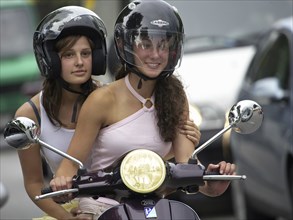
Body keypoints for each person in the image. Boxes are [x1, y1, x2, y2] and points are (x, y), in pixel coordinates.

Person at [50, 0, 233, 219]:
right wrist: (61, 182)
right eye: (146, 44)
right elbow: (70, 165)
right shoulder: (102, 99)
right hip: (102, 207)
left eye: (163, 45)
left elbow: (185, 164)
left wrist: (211, 181)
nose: (156, 55)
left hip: (154, 208)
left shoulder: (175, 95)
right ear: (126, 45)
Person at [13, 5, 199, 219]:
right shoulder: (33, 113)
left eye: (86, 53)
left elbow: (137, 151)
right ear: (52, 59)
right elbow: (36, 183)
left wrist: (179, 145)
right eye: (68, 55)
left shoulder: (110, 98)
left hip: (135, 197)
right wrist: (67, 217)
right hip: (67, 200)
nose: (80, 62)